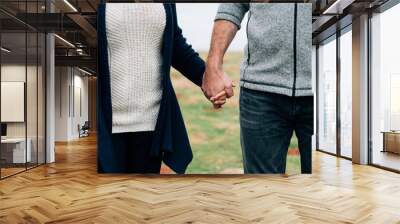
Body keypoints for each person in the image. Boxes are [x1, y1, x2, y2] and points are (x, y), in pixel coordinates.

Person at [97, 3, 230, 174]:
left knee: (143, 197)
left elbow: (175, 44)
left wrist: (208, 77)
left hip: (151, 124)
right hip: (106, 125)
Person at [202, 3, 314, 174]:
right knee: (261, 193)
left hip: (326, 87)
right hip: (260, 92)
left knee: (332, 189)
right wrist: (213, 64)